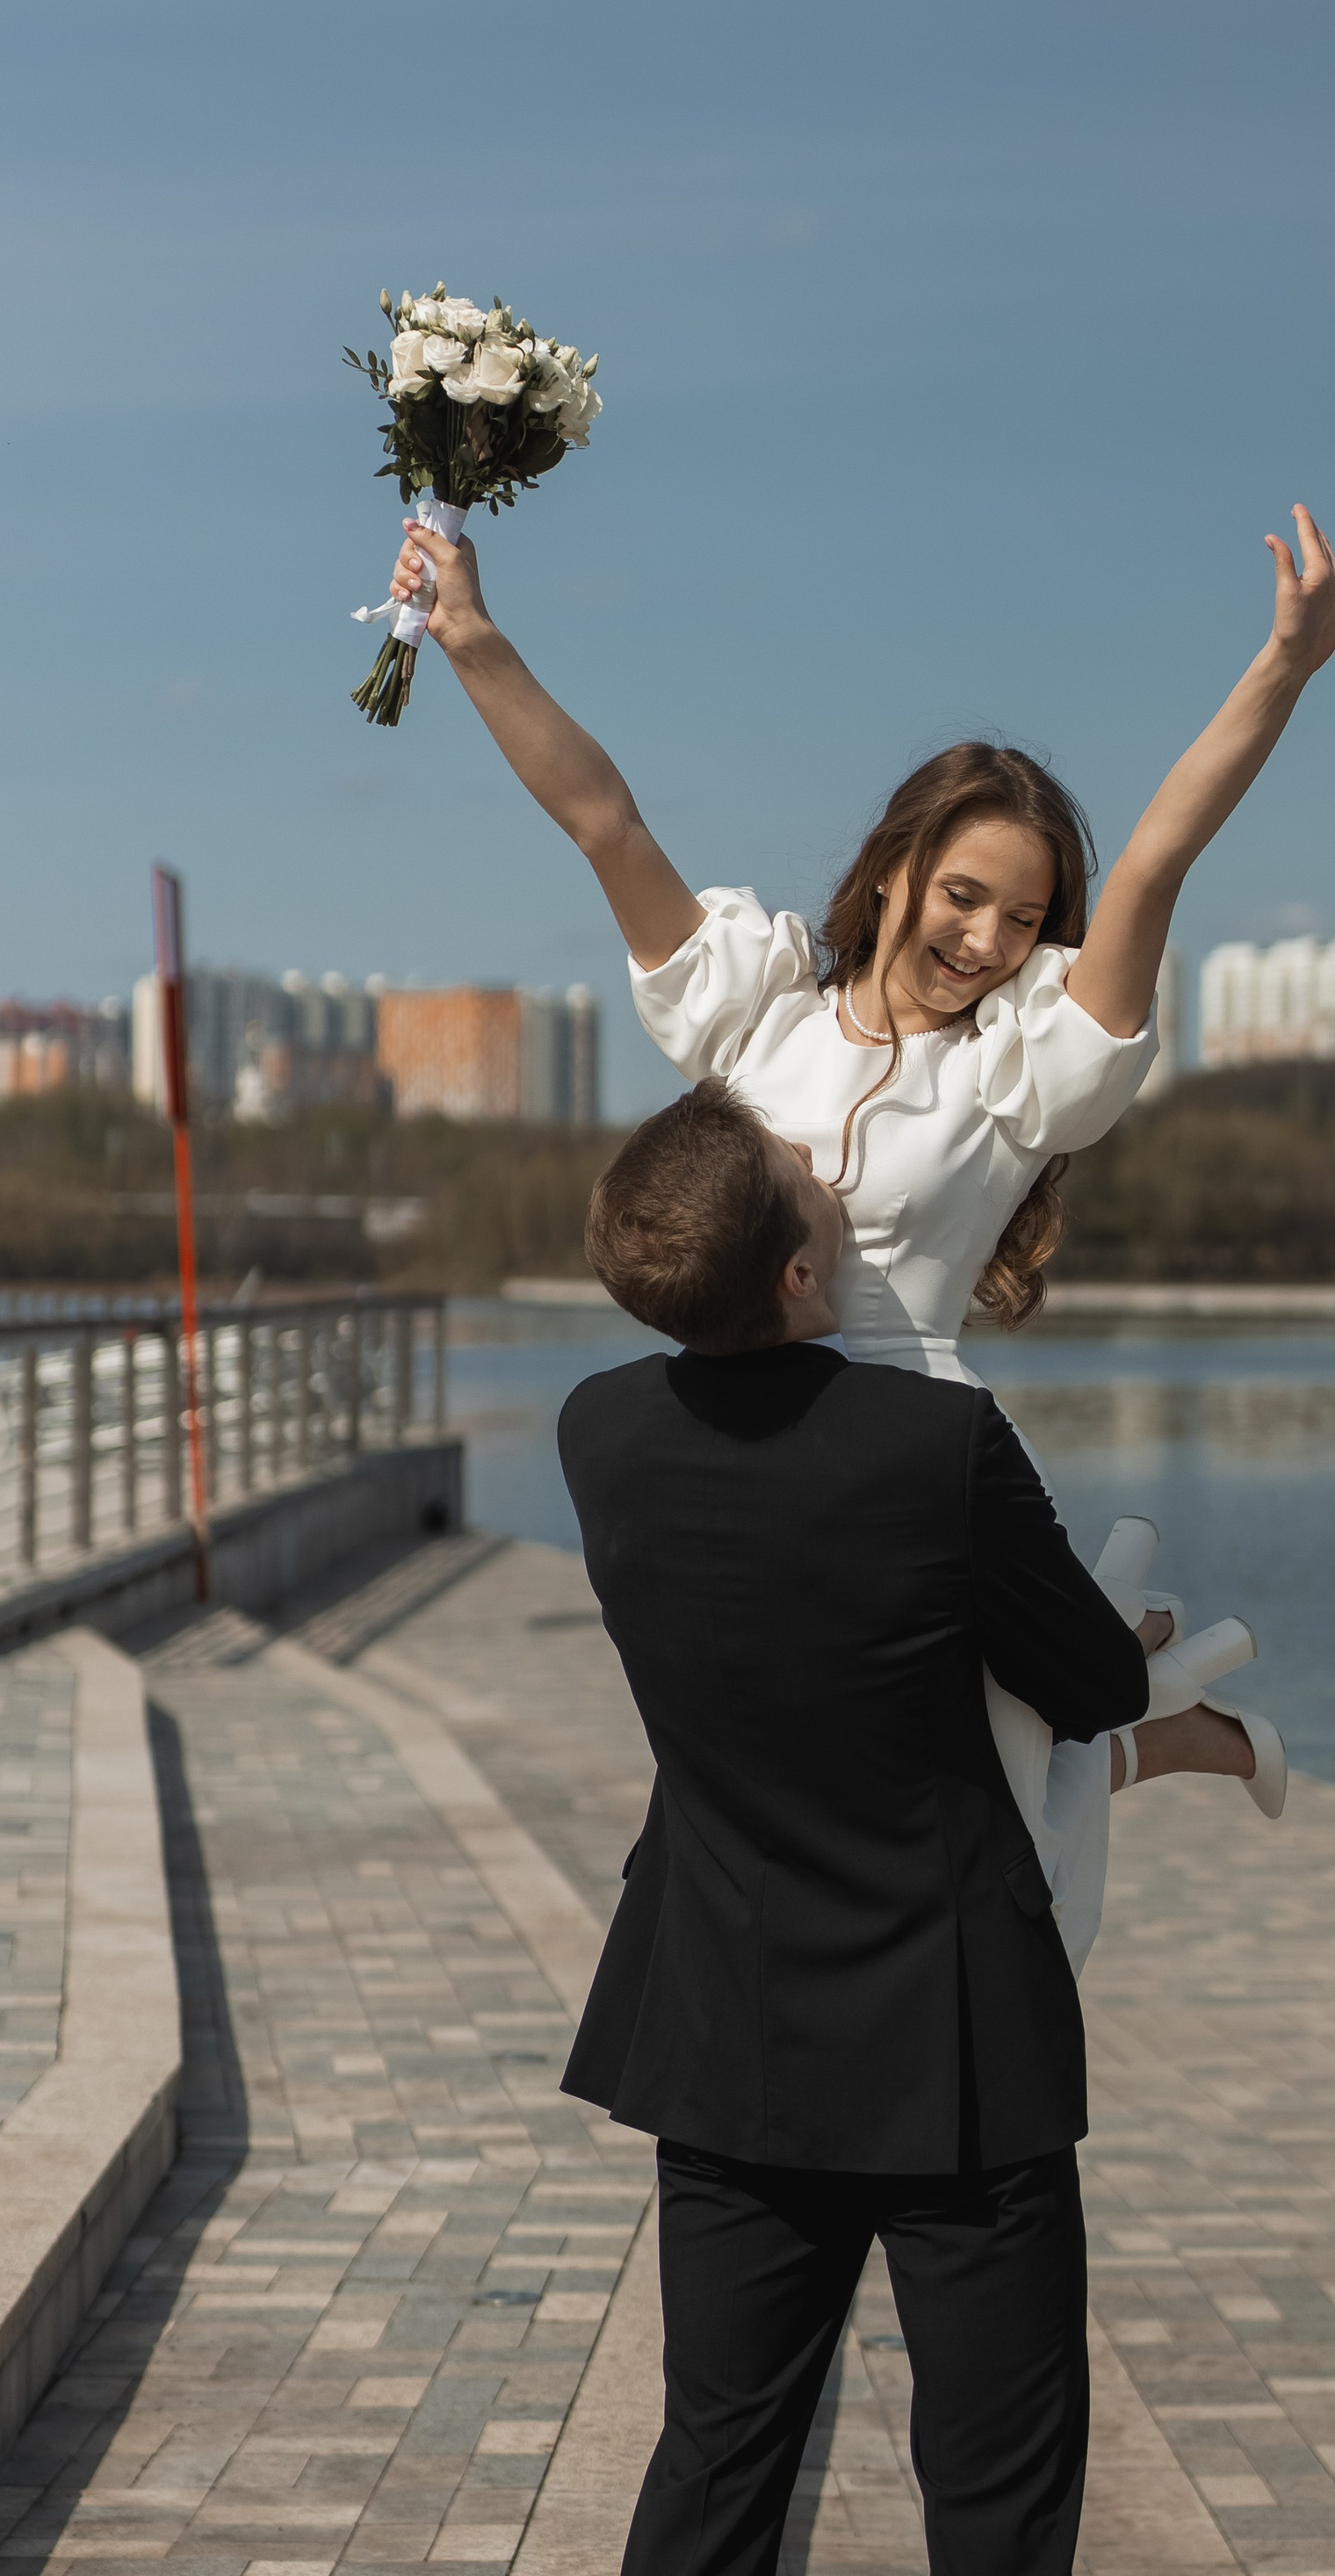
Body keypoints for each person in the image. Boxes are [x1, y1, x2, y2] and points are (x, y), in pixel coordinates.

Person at [391, 496, 1335, 1957]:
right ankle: (1151, 1700)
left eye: (1023, 918)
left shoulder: (1017, 1068)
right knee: (805, 1786)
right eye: (964, 895)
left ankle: (1158, 1718)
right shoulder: (759, 1007)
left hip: (914, 1459)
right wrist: (470, 637)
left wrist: (1283, 664)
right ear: (896, 864)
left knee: (973, 1828)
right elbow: (605, 819)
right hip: (745, 1443)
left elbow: (1155, 863)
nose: (986, 941)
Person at [559, 1078, 1151, 2576]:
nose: (832, 1165)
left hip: (724, 2029)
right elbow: (1094, 1684)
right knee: (1000, 2496)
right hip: (957, 2050)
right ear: (799, 1272)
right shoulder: (936, 1442)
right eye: (805, 1167)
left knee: (715, 2466)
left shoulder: (600, 1430)